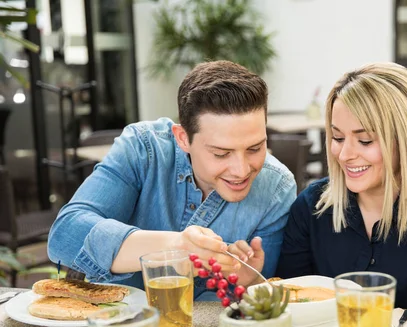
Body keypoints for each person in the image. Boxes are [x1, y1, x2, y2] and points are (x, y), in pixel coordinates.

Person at [47, 60, 296, 299]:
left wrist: (246, 283)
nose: (241, 170)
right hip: (115, 324)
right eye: (221, 153)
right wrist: (176, 248)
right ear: (183, 138)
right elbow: (65, 235)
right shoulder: (143, 148)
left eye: (255, 148)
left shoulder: (277, 188)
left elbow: (256, 302)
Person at [273, 62, 407, 312]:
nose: (345, 154)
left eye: (365, 140)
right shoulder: (311, 207)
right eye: (338, 138)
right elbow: (291, 308)